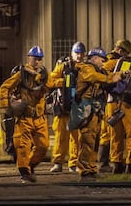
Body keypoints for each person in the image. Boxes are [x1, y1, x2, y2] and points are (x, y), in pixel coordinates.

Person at [0, 46, 54, 183]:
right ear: (29, 58)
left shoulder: (44, 75)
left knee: (43, 146)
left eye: (40, 59)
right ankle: (25, 172)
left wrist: (37, 76)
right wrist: (5, 106)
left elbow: (50, 86)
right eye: (35, 59)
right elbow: (5, 87)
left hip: (40, 118)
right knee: (23, 146)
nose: (37, 62)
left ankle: (29, 165)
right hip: (25, 118)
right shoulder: (21, 74)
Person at [74, 47, 124, 180]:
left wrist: (121, 75)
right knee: (86, 141)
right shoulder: (86, 68)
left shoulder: (98, 70)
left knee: (93, 141)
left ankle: (90, 169)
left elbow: (105, 79)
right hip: (85, 110)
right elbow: (95, 77)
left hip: (93, 111)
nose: (103, 63)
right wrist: (112, 78)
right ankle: (84, 171)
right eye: (102, 60)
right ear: (95, 58)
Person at [49, 42, 85, 173]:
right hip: (62, 106)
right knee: (61, 136)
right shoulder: (63, 66)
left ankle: (73, 163)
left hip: (77, 106)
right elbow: (50, 81)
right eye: (77, 53)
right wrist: (64, 83)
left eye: (81, 53)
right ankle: (58, 163)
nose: (79, 56)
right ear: (72, 53)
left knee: (76, 137)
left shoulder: (86, 68)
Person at [98, 39, 131, 173]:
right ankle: (112, 163)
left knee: (106, 134)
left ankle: (102, 164)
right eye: (125, 53)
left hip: (106, 102)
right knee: (114, 134)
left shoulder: (106, 60)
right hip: (113, 102)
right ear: (120, 51)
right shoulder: (114, 63)